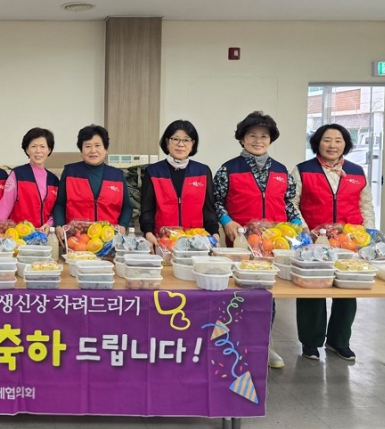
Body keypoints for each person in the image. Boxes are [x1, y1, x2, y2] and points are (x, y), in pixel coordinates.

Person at [213, 111, 302, 369]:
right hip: (240, 242)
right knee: (237, 293)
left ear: (271, 139)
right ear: (242, 139)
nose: (258, 140)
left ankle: (264, 345)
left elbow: (289, 203)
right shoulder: (228, 169)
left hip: (273, 245)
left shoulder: (281, 171)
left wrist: (297, 226)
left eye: (264, 136)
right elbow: (216, 201)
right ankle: (233, 344)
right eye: (252, 135)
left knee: (267, 294)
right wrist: (227, 221)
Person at [291, 124, 374, 362]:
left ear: (345, 144)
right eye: (327, 140)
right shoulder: (303, 170)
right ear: (317, 143)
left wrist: (366, 235)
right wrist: (304, 230)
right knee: (313, 288)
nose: (332, 145)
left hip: (349, 241)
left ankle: (339, 341)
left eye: (338, 140)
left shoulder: (357, 172)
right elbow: (292, 202)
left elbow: (366, 206)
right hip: (314, 240)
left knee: (348, 290)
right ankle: (310, 342)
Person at [140, 120, 219, 246]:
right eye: (175, 139)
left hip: (195, 240)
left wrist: (215, 233)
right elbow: (147, 210)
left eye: (186, 140)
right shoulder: (154, 171)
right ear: (167, 142)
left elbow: (209, 210)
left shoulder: (202, 171)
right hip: (163, 239)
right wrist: (148, 232)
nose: (180, 144)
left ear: (192, 144)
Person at [52, 124, 133, 237]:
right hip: (77, 237)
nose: (93, 150)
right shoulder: (70, 172)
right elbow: (60, 204)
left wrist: (123, 225)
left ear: (105, 149)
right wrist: (58, 225)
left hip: (108, 237)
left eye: (97, 145)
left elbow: (127, 207)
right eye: (88, 146)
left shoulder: (117, 175)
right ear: (81, 151)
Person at [0, 127, 58, 234]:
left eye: (42, 146)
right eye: (33, 146)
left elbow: (56, 210)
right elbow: (5, 205)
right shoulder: (18, 174)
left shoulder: (54, 180)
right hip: (19, 236)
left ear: (49, 150)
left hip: (43, 236)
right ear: (27, 149)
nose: (38, 151)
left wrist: (50, 224)